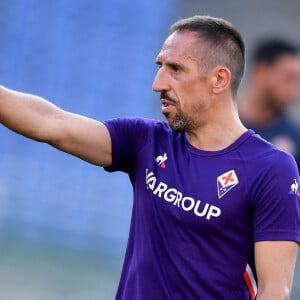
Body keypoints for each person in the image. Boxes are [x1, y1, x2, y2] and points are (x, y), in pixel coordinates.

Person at [0, 15, 299, 300]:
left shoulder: (272, 169)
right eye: (160, 66)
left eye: (176, 69)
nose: (158, 83)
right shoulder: (146, 141)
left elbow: (275, 291)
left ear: (219, 79)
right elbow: (52, 123)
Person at [239, 38, 300, 170]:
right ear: (260, 73)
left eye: (296, 81)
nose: (293, 93)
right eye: (288, 78)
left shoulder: (295, 138)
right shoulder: (218, 127)